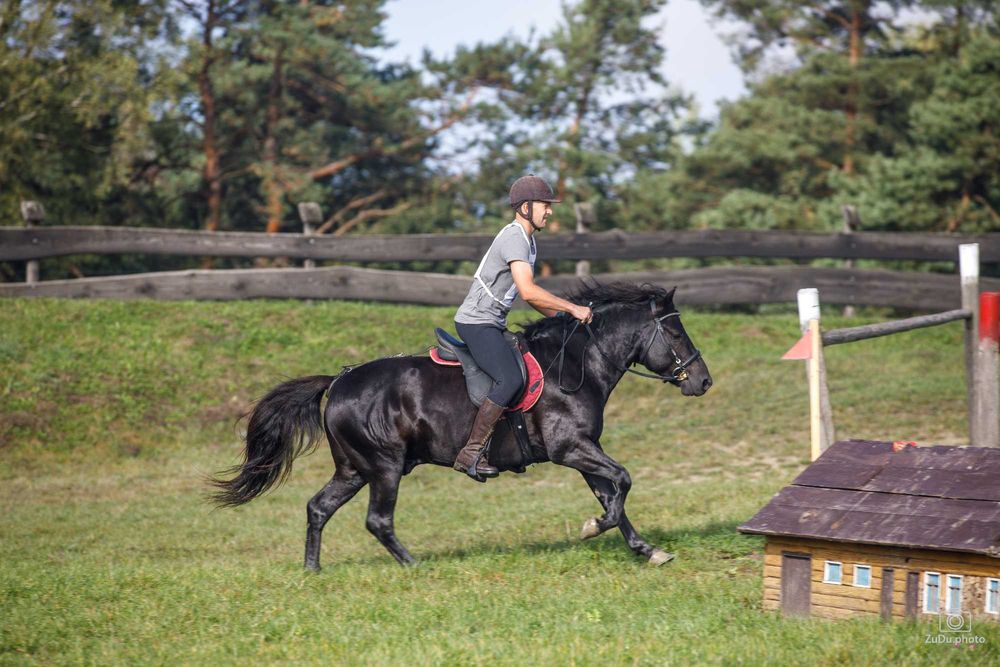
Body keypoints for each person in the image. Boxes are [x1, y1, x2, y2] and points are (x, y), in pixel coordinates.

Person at [452, 174, 593, 481]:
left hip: (492, 322)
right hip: (477, 323)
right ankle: (471, 453)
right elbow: (528, 291)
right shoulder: (515, 237)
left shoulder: (527, 241)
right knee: (510, 378)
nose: (550, 211)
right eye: (545, 205)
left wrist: (560, 321)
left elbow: (531, 299)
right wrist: (571, 307)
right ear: (526, 207)